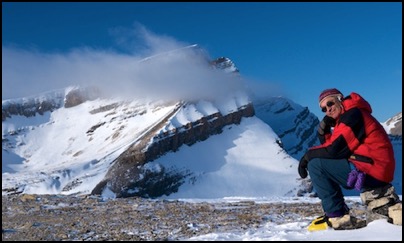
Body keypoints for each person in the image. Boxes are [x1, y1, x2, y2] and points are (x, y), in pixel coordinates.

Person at [298, 88, 402, 231]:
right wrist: (325, 132)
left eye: (330, 103)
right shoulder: (350, 115)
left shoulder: (352, 115)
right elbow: (334, 147)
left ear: (340, 99)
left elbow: (335, 150)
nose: (328, 110)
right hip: (373, 167)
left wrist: (307, 157)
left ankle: (337, 216)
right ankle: (338, 213)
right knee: (319, 162)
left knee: (316, 165)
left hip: (371, 169)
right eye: (323, 109)